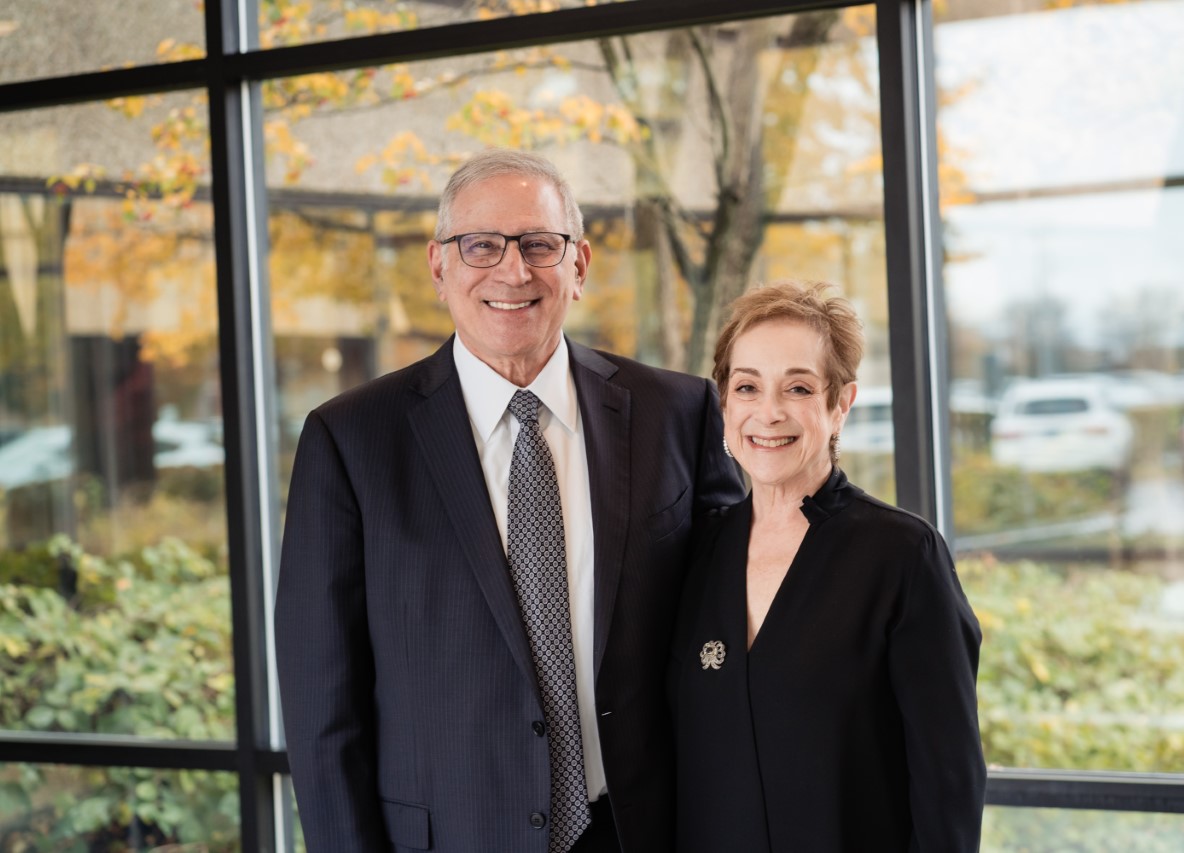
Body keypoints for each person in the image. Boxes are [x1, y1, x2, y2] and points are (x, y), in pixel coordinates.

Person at [275, 148, 744, 853]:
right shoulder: (350, 441)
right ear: (440, 267)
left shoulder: (677, 412)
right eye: (481, 245)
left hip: (644, 828)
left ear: (579, 264)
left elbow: (739, 616)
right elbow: (322, 710)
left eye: (539, 244)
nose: (513, 269)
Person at [669, 281, 986, 852]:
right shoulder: (693, 551)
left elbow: (949, 783)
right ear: (724, 405)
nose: (769, 413)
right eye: (747, 387)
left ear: (840, 404)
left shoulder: (902, 555)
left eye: (797, 387)